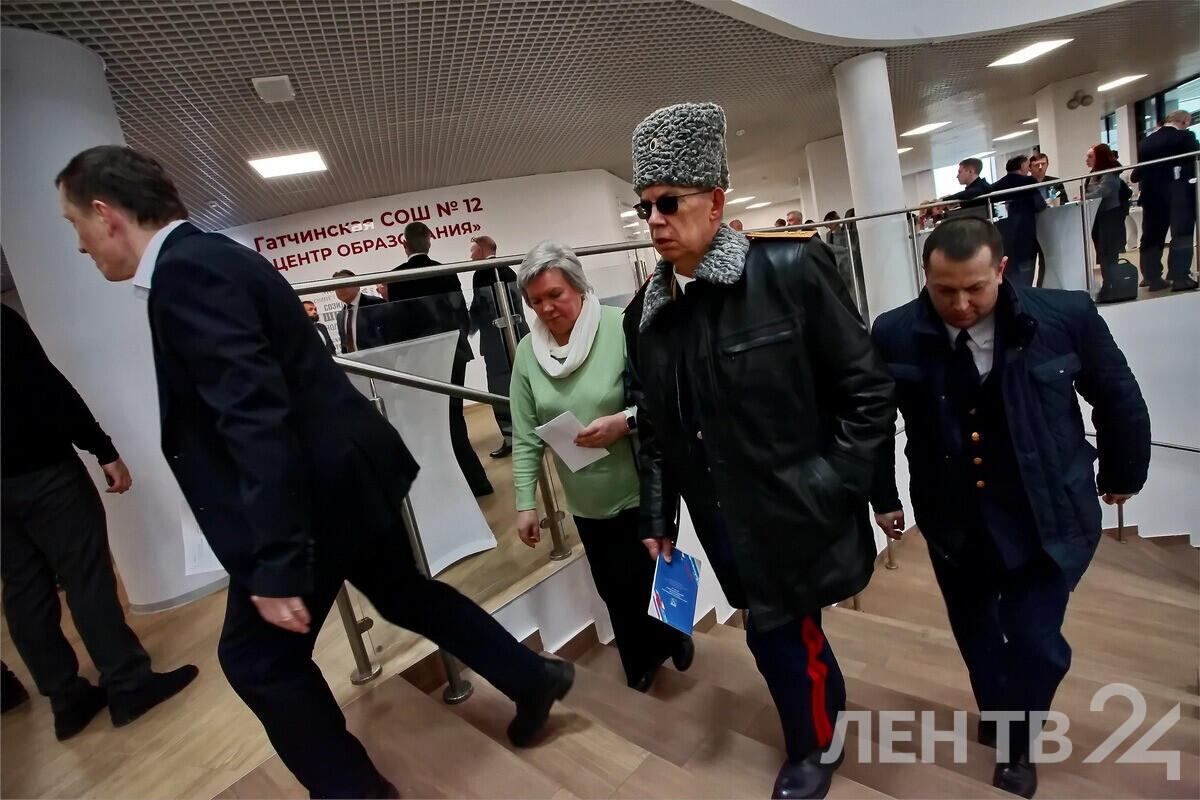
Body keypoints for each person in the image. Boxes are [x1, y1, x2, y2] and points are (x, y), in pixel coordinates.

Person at [55, 145, 573, 798]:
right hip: (346, 473)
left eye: (76, 225)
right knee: (405, 594)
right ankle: (532, 677)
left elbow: (254, 416)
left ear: (106, 213)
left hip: (311, 494)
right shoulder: (215, 256)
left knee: (257, 662)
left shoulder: (186, 274)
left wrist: (274, 562)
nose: (80, 245)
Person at [624, 103, 896, 799]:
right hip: (721, 515)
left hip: (795, 504)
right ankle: (826, 716)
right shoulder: (646, 315)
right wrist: (657, 515)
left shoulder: (791, 268)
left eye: (669, 202)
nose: (654, 219)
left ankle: (813, 747)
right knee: (786, 630)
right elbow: (653, 425)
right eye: (645, 205)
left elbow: (866, 388)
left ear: (715, 203)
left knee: (776, 634)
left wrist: (833, 481)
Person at [870, 217, 1150, 799]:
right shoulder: (893, 332)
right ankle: (1001, 714)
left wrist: (1123, 473)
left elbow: (1118, 395)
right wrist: (884, 496)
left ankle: (1018, 743)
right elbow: (873, 422)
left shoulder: (1065, 315)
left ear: (1001, 270)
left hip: (1048, 517)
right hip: (953, 521)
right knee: (976, 637)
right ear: (926, 279)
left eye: (975, 288)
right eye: (945, 291)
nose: (961, 304)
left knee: (1036, 645)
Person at [1, 304, 198, 741]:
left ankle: (66, 700)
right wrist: (101, 448)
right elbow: (46, 389)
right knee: (85, 576)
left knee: (23, 589)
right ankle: (129, 683)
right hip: (40, 470)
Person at [509, 240, 694, 692]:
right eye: (535, 300)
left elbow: (663, 399)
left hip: (640, 484)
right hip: (586, 498)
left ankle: (676, 634)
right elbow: (525, 434)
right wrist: (525, 502)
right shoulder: (527, 353)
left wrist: (623, 423)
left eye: (555, 294)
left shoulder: (619, 327)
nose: (546, 308)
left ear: (578, 286)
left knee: (656, 570)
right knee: (614, 587)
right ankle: (638, 661)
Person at [388, 222, 494, 497]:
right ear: (430, 241)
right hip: (453, 353)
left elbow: (399, 324)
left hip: (421, 359)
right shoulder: (444, 271)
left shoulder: (396, 277)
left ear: (404, 245)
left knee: (431, 421)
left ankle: (451, 484)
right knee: (454, 416)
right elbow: (460, 314)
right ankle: (476, 482)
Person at [467, 235, 528, 459]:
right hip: (520, 339)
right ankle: (536, 433)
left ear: (483, 250)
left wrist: (467, 328)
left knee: (500, 392)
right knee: (527, 388)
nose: (470, 256)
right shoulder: (509, 270)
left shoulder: (481, 274)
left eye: (473, 251)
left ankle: (511, 439)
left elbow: (480, 309)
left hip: (495, 346)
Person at [1134, 109, 1199, 292]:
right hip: (1178, 192)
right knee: (1182, 234)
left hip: (1151, 195)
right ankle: (1180, 277)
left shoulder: (1146, 142)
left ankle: (1151, 277)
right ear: (1185, 121)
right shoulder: (1185, 137)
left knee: (1152, 235)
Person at [1084, 144, 1132, 303]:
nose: (1087, 160)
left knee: (1109, 253)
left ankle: (1112, 286)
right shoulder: (1094, 175)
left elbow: (1101, 192)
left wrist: (1084, 196)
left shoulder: (1109, 174)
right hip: (1099, 218)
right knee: (1103, 253)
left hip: (1110, 218)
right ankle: (1109, 285)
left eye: (1090, 156)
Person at [990, 155, 1047, 286]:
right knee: (1026, 272)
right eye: (1027, 165)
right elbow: (1040, 205)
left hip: (1003, 235)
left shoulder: (996, 186)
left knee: (1008, 273)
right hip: (1024, 232)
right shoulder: (1028, 181)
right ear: (1022, 166)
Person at [332, 269, 389, 353]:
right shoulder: (340, 316)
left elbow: (391, 335)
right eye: (336, 287)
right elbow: (344, 346)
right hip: (353, 361)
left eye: (343, 284)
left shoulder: (376, 304)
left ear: (357, 285)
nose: (340, 289)